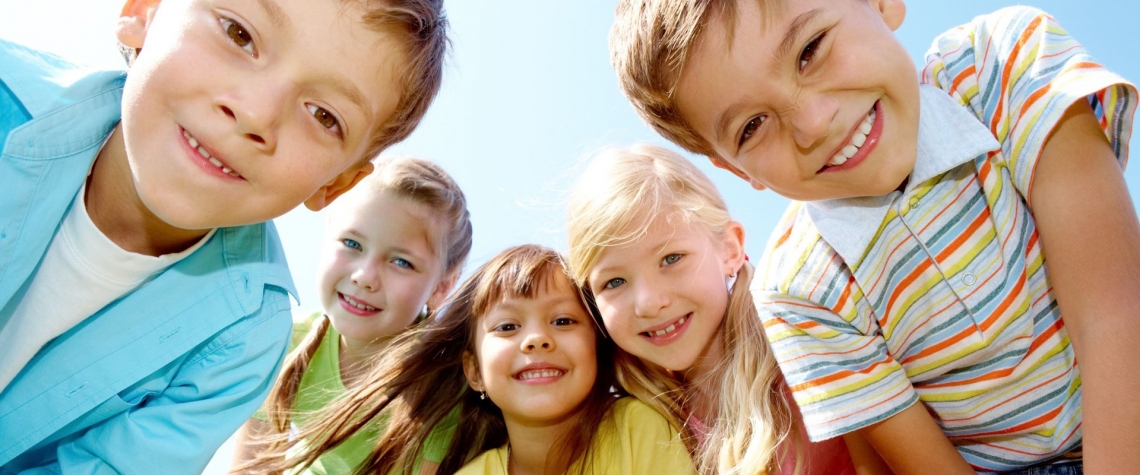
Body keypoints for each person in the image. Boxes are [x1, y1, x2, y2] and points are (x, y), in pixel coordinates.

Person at [610, 1, 1137, 473]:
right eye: (752, 126)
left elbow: (1113, 312)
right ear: (735, 169)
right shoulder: (797, 289)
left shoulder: (1003, 62)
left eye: (810, 50)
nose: (814, 123)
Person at [0, 0, 449, 471]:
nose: (256, 114)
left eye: (322, 115)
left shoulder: (242, 341)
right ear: (143, 11)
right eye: (238, 34)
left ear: (333, 185)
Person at [255, 245, 695, 475]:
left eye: (563, 321)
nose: (537, 340)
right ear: (474, 372)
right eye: (507, 327)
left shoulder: (638, 428)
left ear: (598, 347)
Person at [567, 144, 873, 475]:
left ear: (729, 249)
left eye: (671, 259)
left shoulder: (809, 347)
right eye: (614, 282)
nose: (649, 302)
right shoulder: (634, 424)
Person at [231, 157, 471, 474]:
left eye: (401, 262)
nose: (364, 276)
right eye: (352, 243)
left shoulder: (443, 386)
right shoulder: (284, 343)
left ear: (441, 287)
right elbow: (250, 468)